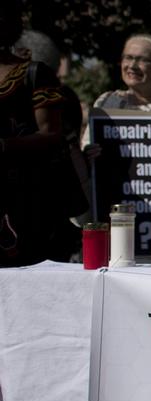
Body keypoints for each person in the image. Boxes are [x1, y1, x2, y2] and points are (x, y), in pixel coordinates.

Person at [0, 2, 84, 266]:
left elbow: (51, 133)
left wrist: (4, 145)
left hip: (25, 196)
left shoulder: (34, 74)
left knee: (23, 270)